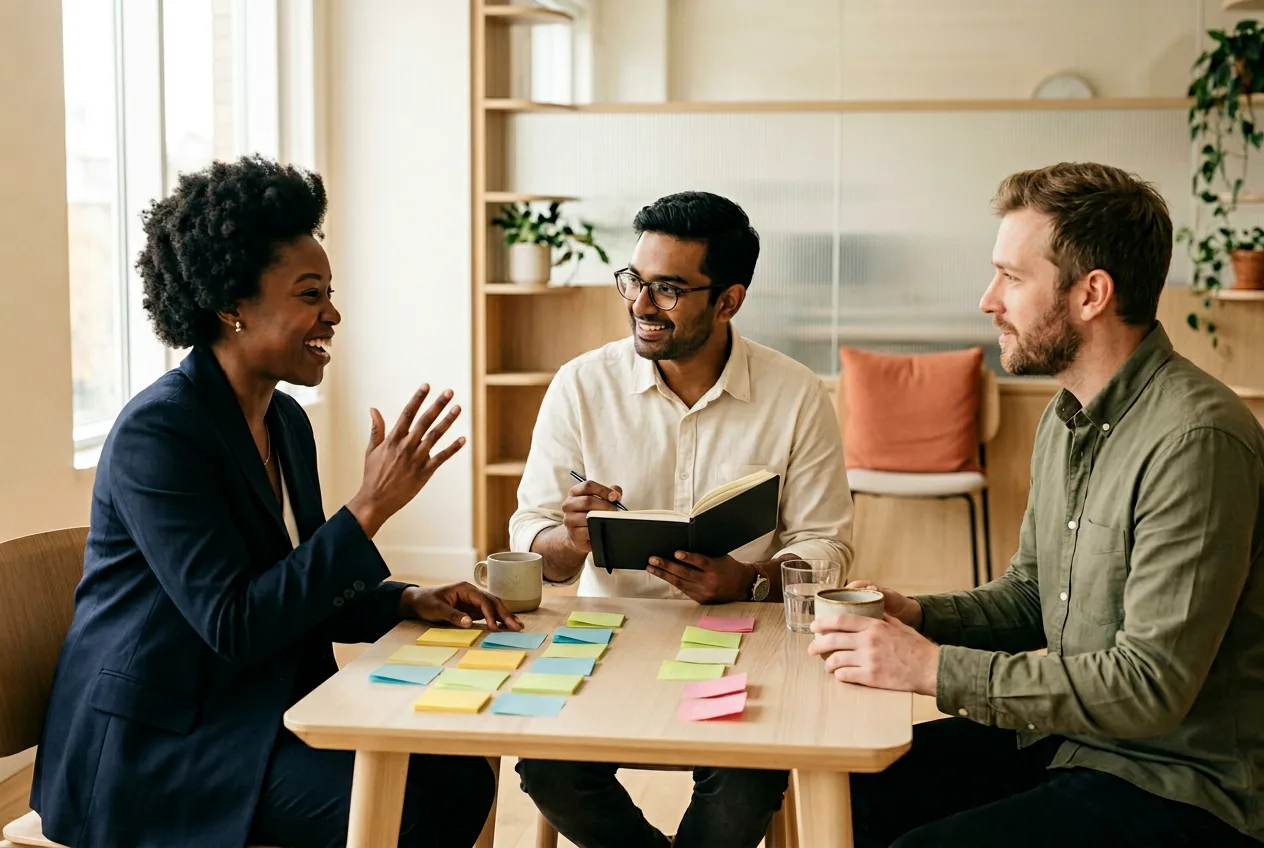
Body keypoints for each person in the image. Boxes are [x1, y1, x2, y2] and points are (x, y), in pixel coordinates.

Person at [30, 155, 522, 848]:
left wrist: (407, 601)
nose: (334, 314)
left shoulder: (284, 422)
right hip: (161, 747)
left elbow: (297, 590)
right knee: (405, 810)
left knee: (460, 777)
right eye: (310, 294)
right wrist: (369, 508)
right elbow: (237, 623)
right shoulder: (159, 433)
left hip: (251, 709)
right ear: (231, 306)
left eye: (329, 292)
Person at [810, 162, 1264, 847]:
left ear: (1091, 295)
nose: (989, 299)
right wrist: (919, 614)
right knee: (850, 794)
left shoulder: (1196, 440)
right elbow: (1033, 596)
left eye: (1012, 278)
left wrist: (928, 667)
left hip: (1180, 783)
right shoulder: (1066, 417)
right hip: (1068, 740)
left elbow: (1149, 686)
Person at [510, 191, 854, 848]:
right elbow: (533, 543)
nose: (640, 305)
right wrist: (568, 538)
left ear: (727, 300)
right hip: (606, 639)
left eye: (667, 290)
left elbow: (826, 545)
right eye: (634, 281)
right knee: (546, 765)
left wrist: (749, 581)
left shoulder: (795, 395)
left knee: (746, 783)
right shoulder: (580, 386)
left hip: (745, 642)